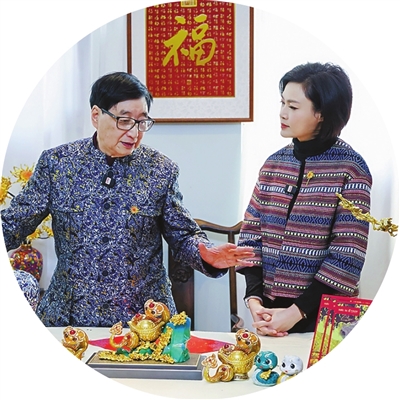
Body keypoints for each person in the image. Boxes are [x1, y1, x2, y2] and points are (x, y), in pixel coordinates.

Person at [1, 72, 254, 327]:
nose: (134, 132)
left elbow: (182, 234)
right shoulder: (58, 164)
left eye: (142, 122)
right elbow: (13, 224)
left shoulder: (159, 169)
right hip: (71, 316)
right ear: (96, 116)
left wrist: (206, 253)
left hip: (144, 319)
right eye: (124, 121)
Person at [237, 62, 372, 336]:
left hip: (322, 318)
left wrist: (295, 313)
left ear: (321, 113)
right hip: (268, 313)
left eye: (293, 106)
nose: (282, 113)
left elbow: (347, 254)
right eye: (282, 103)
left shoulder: (351, 169)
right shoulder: (273, 164)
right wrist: (254, 300)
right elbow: (251, 236)